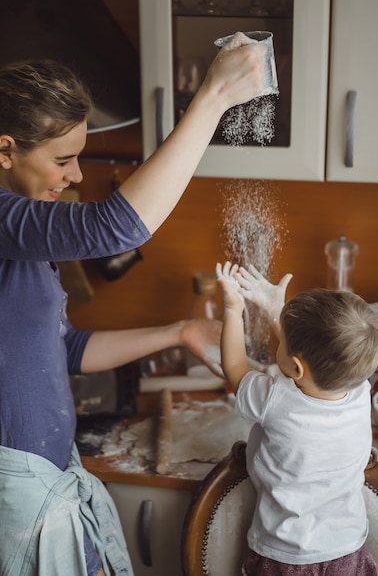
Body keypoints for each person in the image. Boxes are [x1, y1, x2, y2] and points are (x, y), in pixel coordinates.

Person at [0, 32, 265, 576]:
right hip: (16, 490)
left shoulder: (23, 234)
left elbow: (65, 347)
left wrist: (179, 332)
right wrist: (212, 96)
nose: (75, 176)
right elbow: (114, 227)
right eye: (64, 160)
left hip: (50, 473)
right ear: (5, 150)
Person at [216, 261, 378, 576]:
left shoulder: (274, 399)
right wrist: (277, 309)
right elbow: (318, 358)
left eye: (282, 343)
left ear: (295, 368)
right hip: (347, 549)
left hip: (285, 555)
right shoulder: (360, 390)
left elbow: (235, 366)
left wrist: (232, 309)